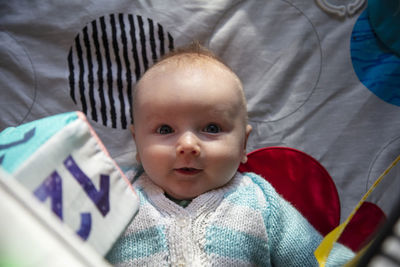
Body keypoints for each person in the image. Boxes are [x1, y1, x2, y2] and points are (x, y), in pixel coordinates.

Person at [106, 42, 354, 266]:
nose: (188, 145)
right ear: (137, 144)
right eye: (165, 129)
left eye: (211, 128)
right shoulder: (115, 196)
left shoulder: (261, 203)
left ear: (243, 145)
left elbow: (321, 258)